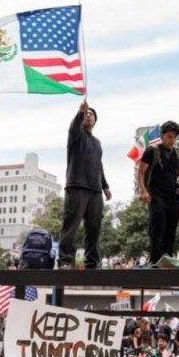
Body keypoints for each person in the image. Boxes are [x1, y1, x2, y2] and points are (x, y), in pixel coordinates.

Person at [59, 100, 112, 269]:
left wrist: (105, 186)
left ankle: (92, 263)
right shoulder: (76, 135)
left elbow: (99, 165)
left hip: (95, 190)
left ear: (95, 121)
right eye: (86, 114)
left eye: (91, 114)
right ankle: (65, 261)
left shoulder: (97, 142)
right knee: (71, 225)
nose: (88, 115)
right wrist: (79, 113)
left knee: (94, 228)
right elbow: (73, 126)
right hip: (76, 187)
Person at [137, 121, 179, 265]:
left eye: (174, 137)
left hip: (172, 195)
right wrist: (143, 191)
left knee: (172, 226)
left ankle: (167, 258)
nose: (172, 140)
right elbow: (141, 173)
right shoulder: (152, 151)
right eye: (169, 136)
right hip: (155, 194)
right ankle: (154, 260)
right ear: (162, 136)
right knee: (158, 225)